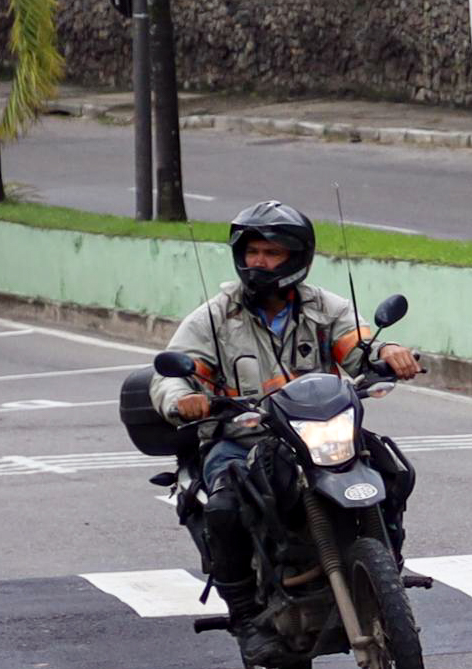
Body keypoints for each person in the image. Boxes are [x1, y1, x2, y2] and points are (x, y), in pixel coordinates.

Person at [163, 199, 422, 618]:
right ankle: (244, 610)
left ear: (296, 258)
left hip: (317, 432)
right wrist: (181, 399)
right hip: (243, 438)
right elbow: (174, 373)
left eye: (272, 253)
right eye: (253, 252)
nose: (259, 262)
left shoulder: (325, 307)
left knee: (391, 473)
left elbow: (359, 343)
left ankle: (387, 569)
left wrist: (389, 352)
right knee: (225, 508)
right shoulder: (212, 319)